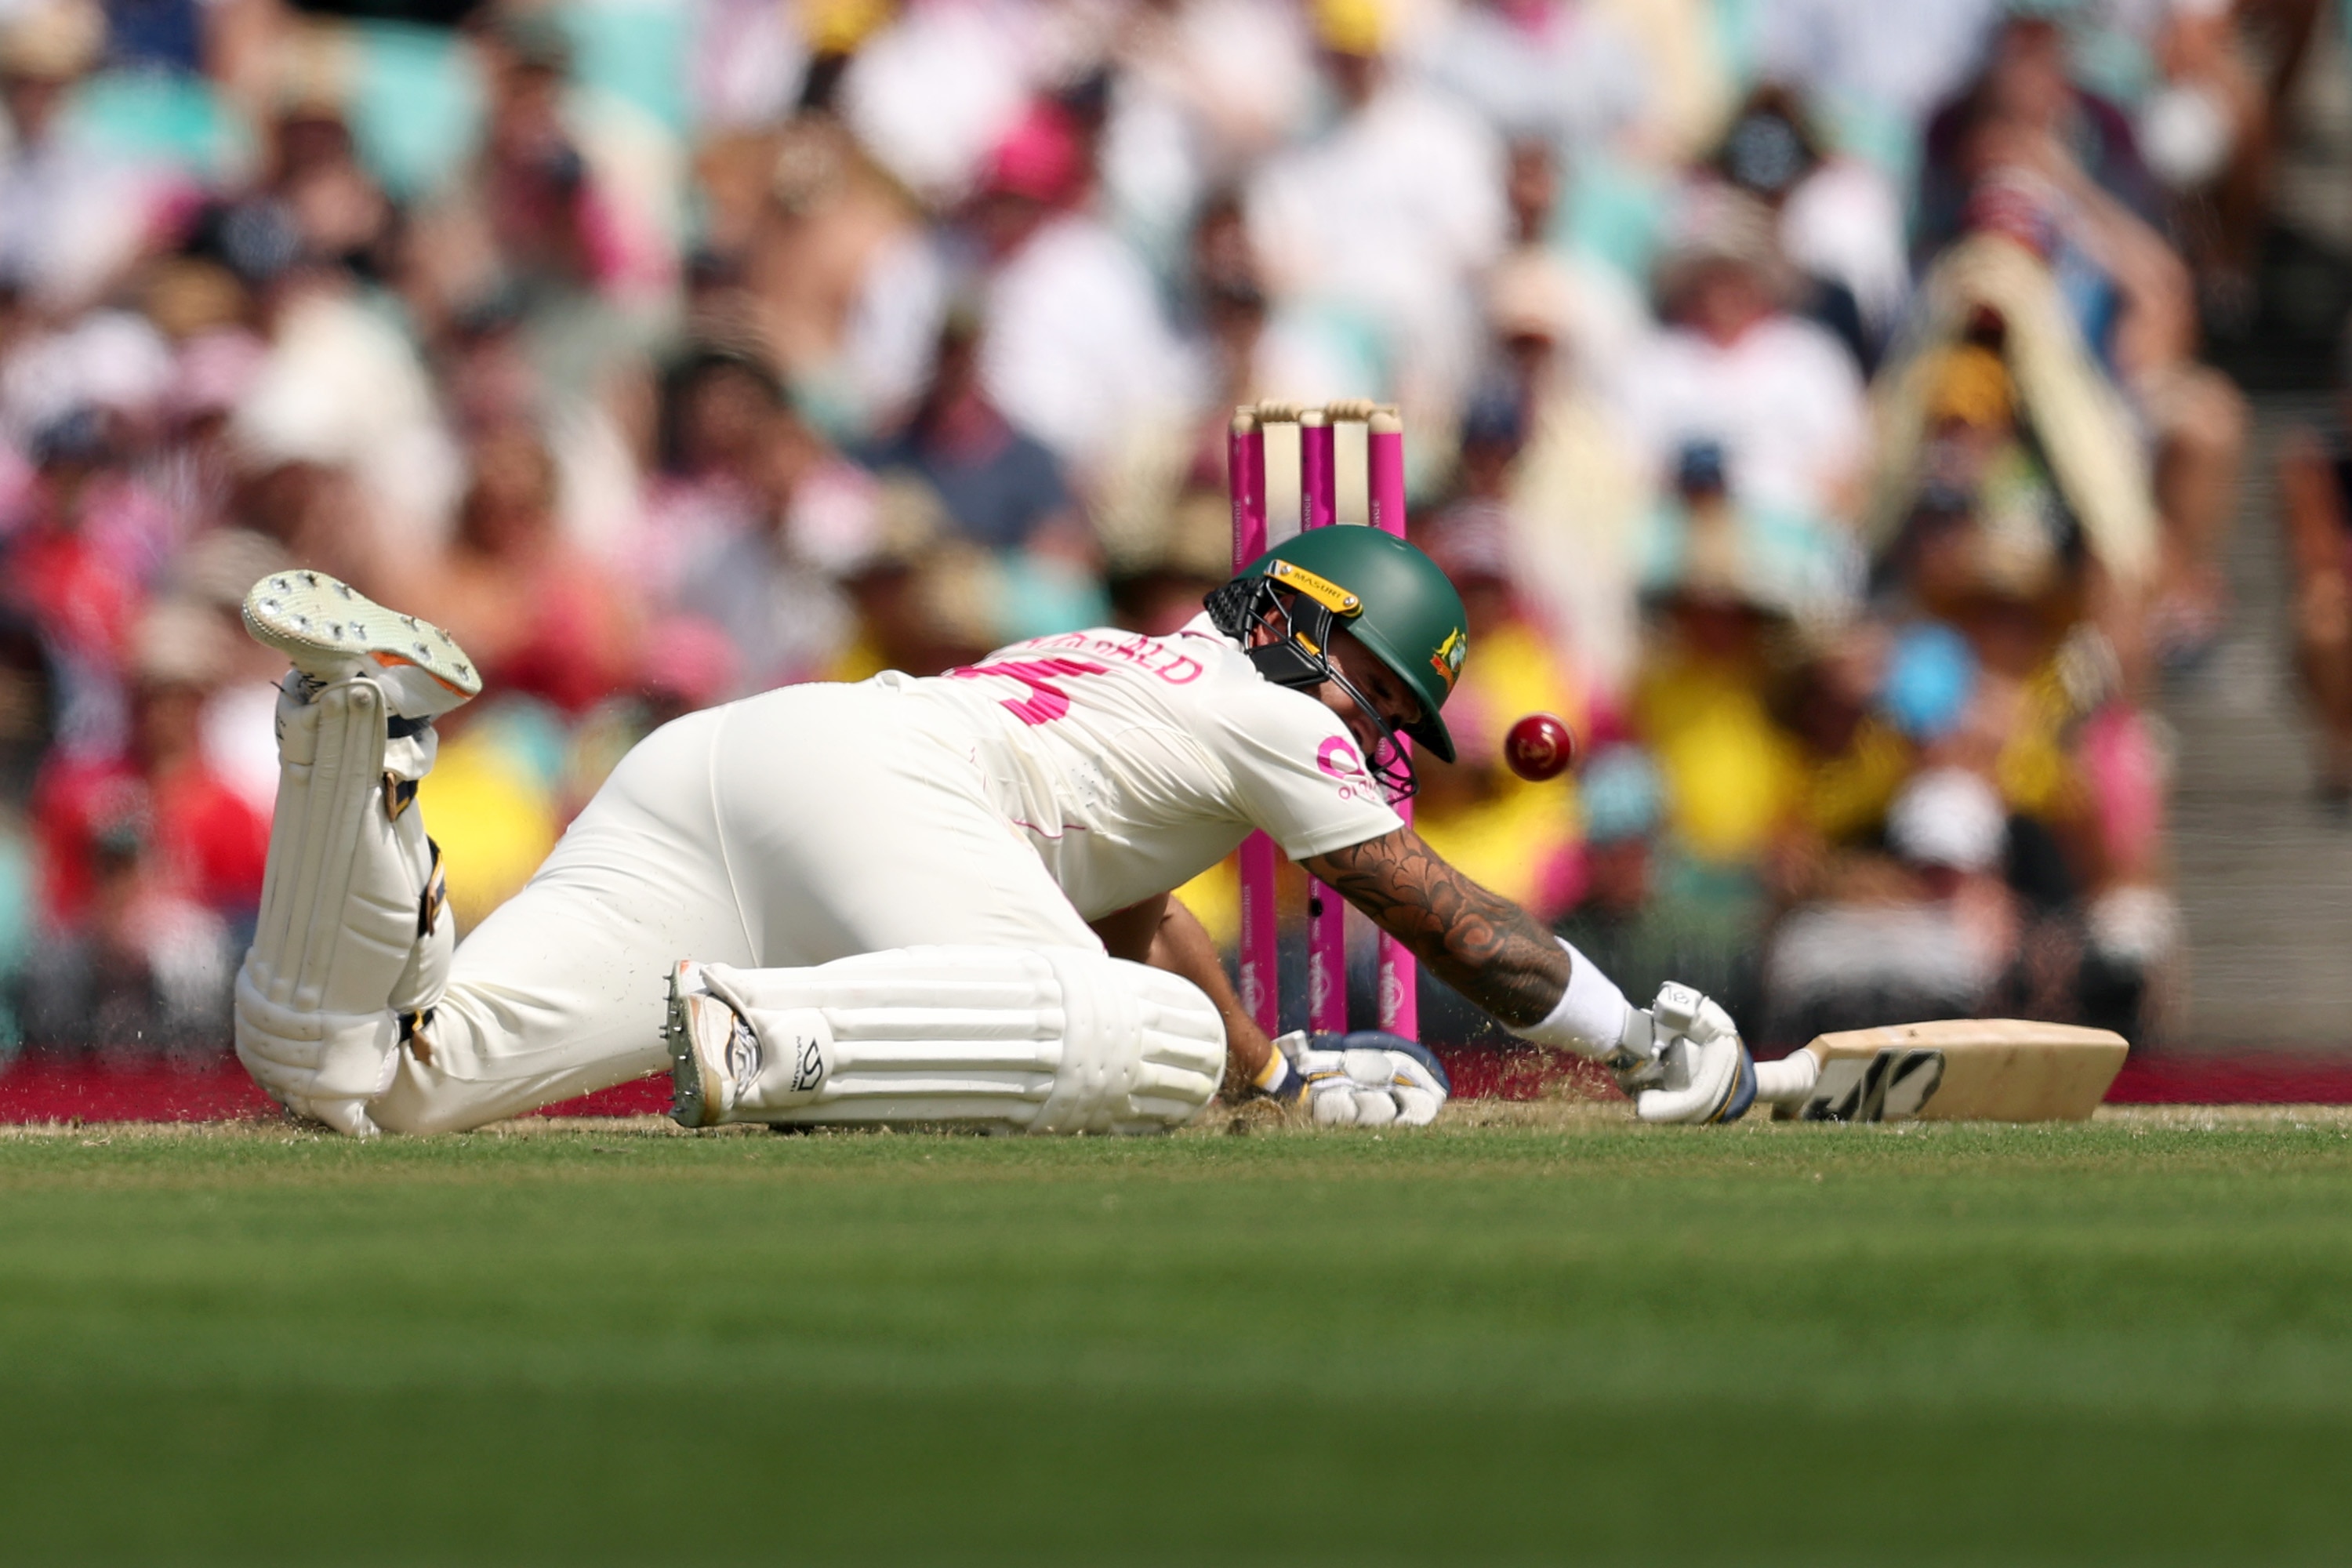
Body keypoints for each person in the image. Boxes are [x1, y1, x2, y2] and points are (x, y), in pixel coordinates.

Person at [228, 528, 1761, 1139]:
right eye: (1378, 699)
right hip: (877, 803)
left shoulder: (1117, 661)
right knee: (1139, 1050)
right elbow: (1453, 924)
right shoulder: (1271, 713)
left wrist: (1275, 1072)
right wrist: (1639, 1038)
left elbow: (1121, 907)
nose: (1373, 740)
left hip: (730, 763)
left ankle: (349, 733)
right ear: (1305, 627)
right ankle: (770, 1040)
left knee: (383, 1089)